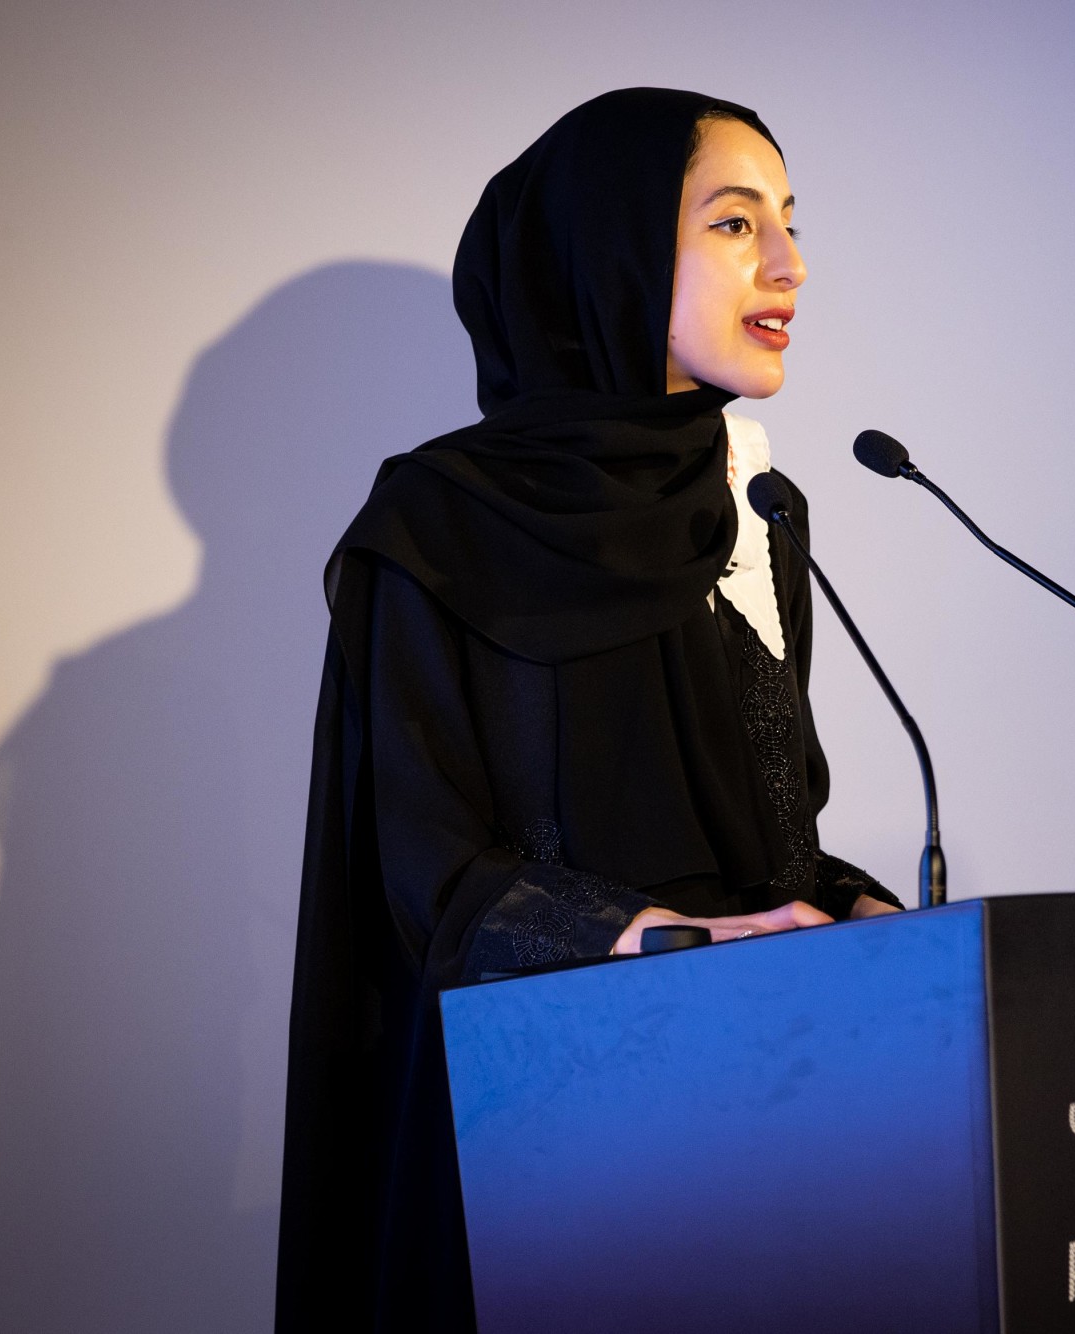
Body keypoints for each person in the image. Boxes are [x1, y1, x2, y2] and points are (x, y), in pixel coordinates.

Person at [274, 88, 901, 1331]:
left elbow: (765, 829)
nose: (789, 263)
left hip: (761, 1109)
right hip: (541, 1127)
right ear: (606, 256)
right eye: (734, 224)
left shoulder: (756, 510)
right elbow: (430, 876)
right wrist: (668, 942)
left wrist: (855, 909)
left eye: (788, 221)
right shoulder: (439, 523)